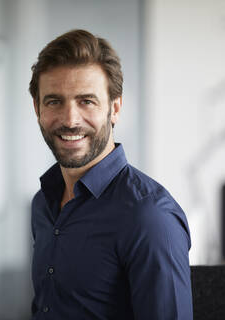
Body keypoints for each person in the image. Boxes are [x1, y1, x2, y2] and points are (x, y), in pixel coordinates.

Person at [29, 29, 193, 319]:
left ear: (114, 108)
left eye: (86, 101)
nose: (70, 119)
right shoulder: (43, 203)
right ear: (37, 108)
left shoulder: (149, 217)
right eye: (54, 101)